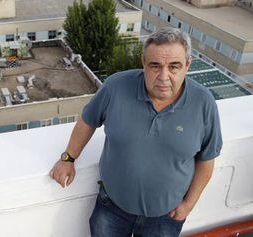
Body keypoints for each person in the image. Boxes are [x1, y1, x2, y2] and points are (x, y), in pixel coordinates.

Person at [49, 27, 222, 237]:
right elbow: (88, 121)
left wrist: (189, 204)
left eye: (174, 66)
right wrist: (68, 158)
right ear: (143, 63)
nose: (163, 76)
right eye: (155, 66)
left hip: (165, 218)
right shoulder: (115, 87)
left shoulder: (204, 103)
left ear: (188, 65)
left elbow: (207, 159)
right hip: (111, 209)